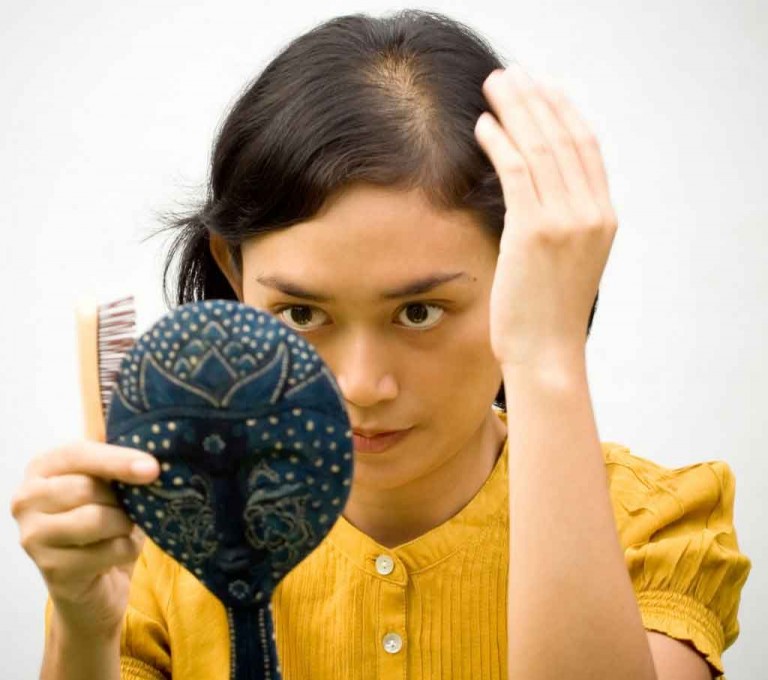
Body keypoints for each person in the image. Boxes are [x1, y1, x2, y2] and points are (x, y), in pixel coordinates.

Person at [10, 9, 750, 680]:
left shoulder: (649, 525)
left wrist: (549, 353)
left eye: (419, 312)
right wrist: (84, 629)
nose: (361, 386)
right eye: (303, 313)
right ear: (235, 274)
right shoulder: (162, 540)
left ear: (524, 275)